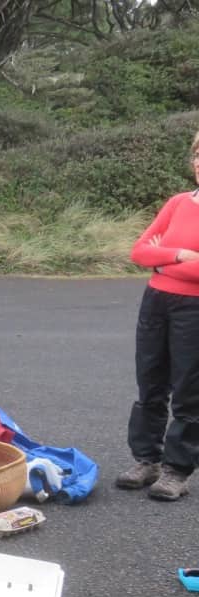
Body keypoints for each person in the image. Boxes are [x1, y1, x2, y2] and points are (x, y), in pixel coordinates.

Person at [114, 131, 199, 501]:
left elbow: (154, 254)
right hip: (157, 300)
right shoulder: (179, 202)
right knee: (149, 384)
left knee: (188, 391)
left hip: (194, 308)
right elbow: (138, 252)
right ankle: (146, 460)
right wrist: (180, 256)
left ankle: (177, 470)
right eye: (198, 153)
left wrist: (163, 256)